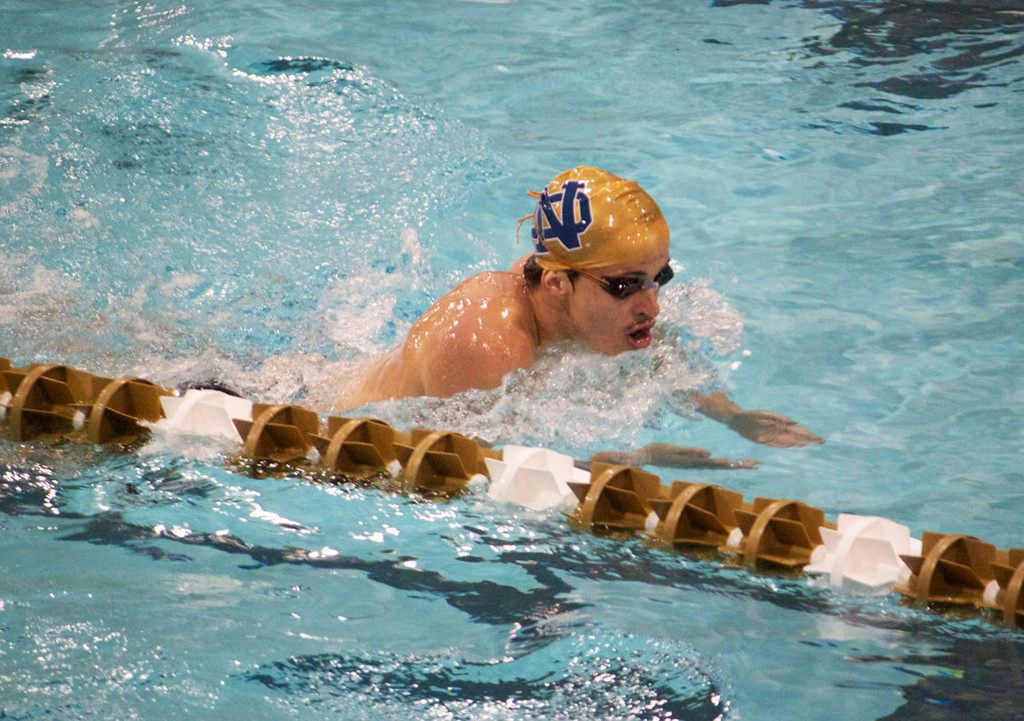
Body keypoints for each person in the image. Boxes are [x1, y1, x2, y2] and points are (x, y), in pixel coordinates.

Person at [334, 167, 822, 462]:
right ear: (556, 285)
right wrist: (637, 460)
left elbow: (664, 362)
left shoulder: (583, 306)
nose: (651, 305)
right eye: (626, 286)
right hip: (327, 425)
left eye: (659, 279)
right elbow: (491, 476)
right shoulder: (485, 344)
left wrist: (734, 419)